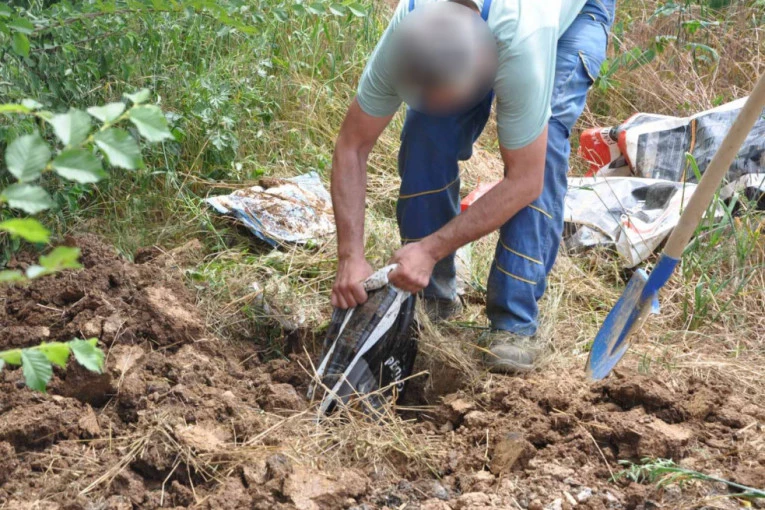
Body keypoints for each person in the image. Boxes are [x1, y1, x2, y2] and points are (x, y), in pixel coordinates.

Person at [330, 0, 615, 373]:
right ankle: (430, 297)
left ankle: (513, 323)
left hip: (571, 14)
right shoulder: (409, 27)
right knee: (426, 131)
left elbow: (526, 180)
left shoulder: (523, 45)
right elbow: (352, 145)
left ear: (487, 71)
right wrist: (350, 256)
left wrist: (430, 249)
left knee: (543, 149)